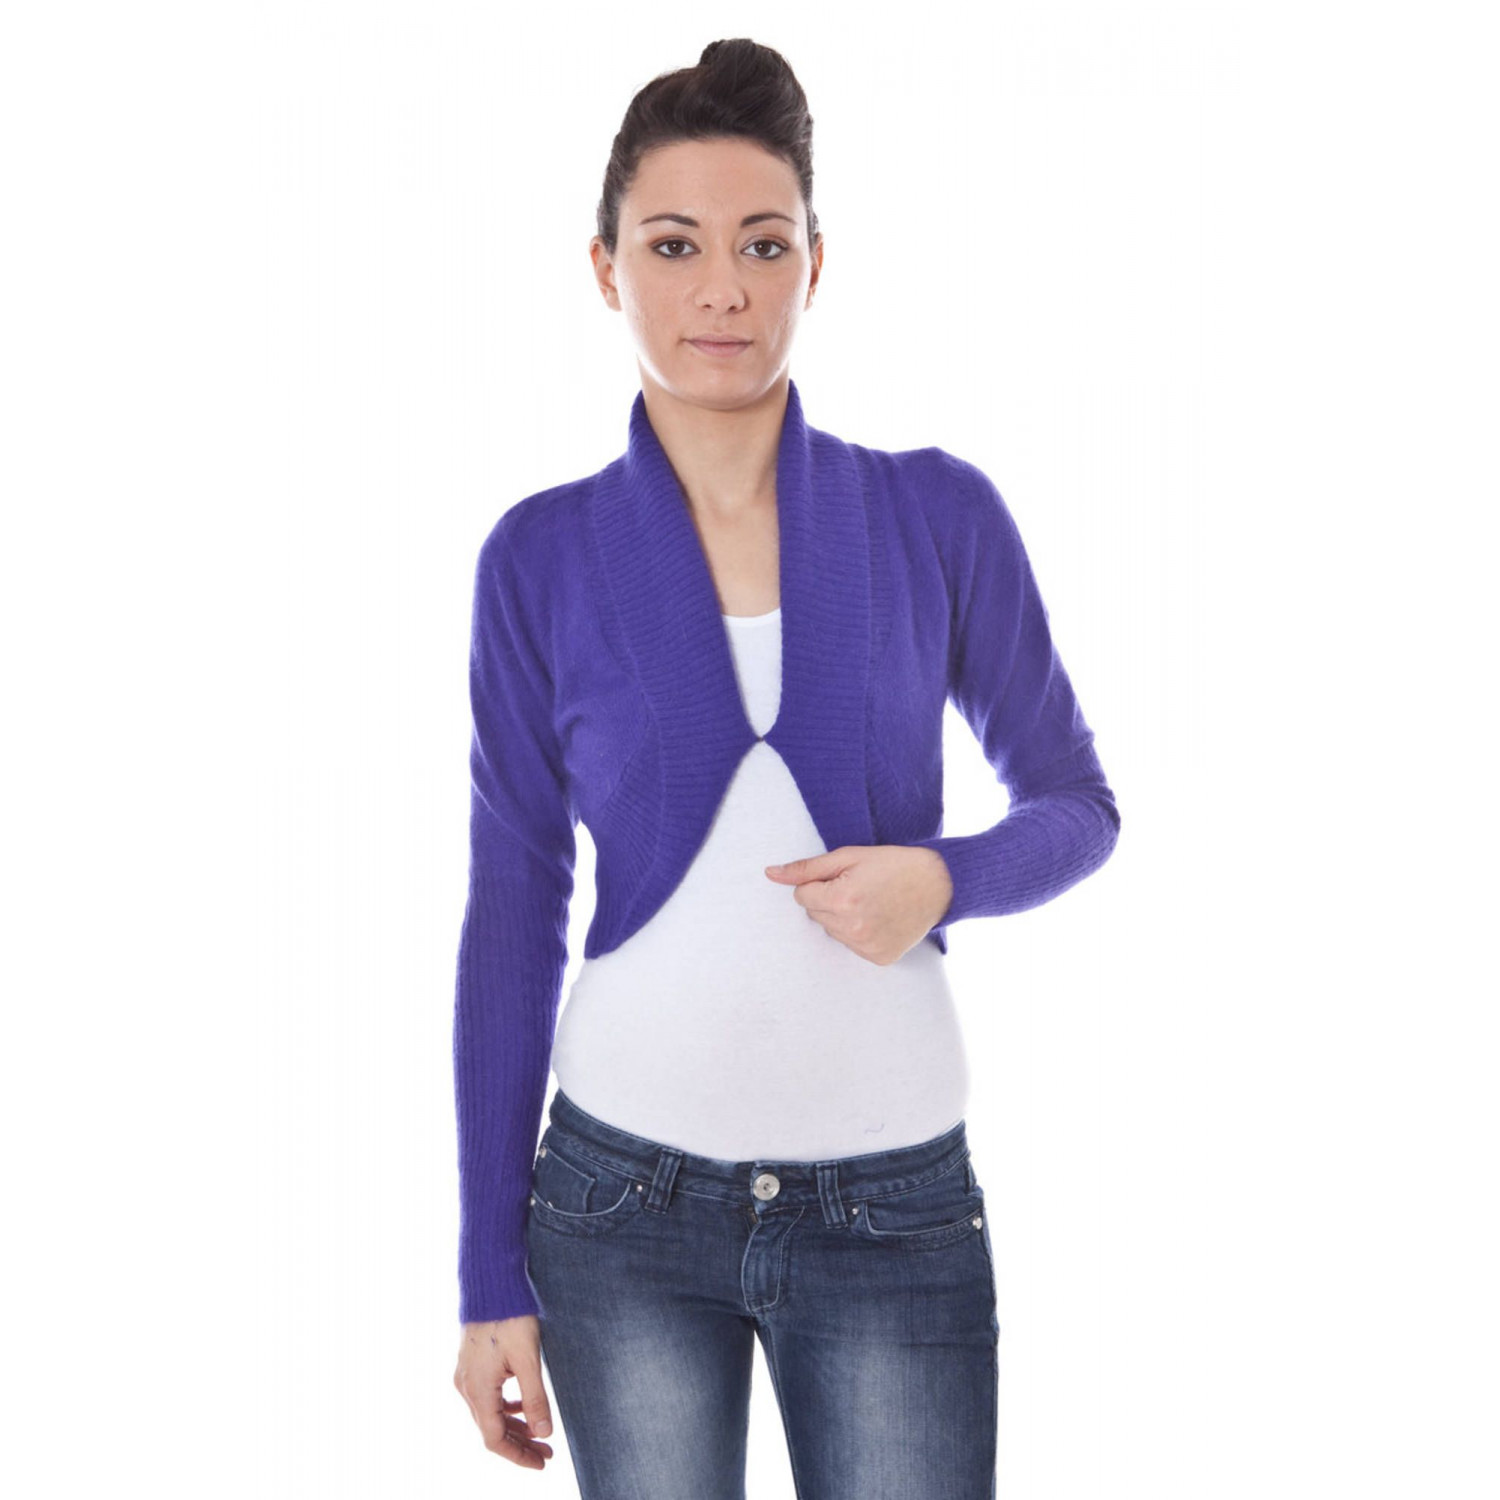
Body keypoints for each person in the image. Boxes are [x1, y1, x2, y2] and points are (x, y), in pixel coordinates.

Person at [450, 37, 1120, 1497]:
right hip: (617, 1210)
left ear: (817, 264)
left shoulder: (935, 515)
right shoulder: (540, 557)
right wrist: (485, 1271)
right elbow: (512, 907)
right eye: (673, 245)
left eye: (764, 244)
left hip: (895, 1212)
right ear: (604, 268)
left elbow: (1079, 807)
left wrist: (946, 877)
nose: (723, 290)